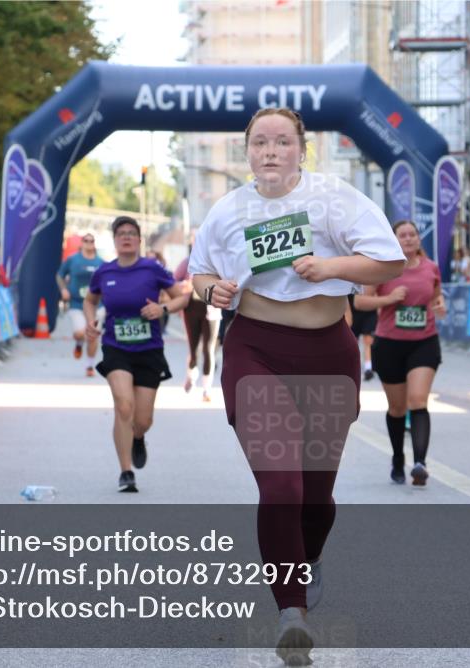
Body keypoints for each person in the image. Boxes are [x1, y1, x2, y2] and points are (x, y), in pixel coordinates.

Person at [188, 107, 404, 666]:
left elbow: (387, 262)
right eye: (260, 142)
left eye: (282, 141)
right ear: (247, 152)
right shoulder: (229, 209)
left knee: (316, 498)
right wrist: (213, 291)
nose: (270, 151)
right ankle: (292, 612)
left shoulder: (335, 198)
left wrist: (331, 268)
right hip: (255, 349)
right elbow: (200, 274)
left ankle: (301, 565)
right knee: (280, 486)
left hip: (327, 353)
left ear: (301, 150)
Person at [82, 216, 186, 493]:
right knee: (123, 405)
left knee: (142, 420)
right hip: (116, 347)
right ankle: (126, 471)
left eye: (131, 233)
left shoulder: (152, 268)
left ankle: (138, 437)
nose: (126, 237)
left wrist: (162, 309)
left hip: (149, 350)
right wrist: (91, 321)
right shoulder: (104, 272)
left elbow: (181, 297)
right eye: (121, 234)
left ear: (139, 240)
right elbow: (90, 300)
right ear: (115, 241)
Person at [354, 220, 445, 486]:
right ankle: (397, 458)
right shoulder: (384, 268)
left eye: (412, 234)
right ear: (394, 239)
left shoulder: (431, 268)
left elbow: (437, 297)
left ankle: (419, 463)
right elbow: (360, 301)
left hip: (424, 342)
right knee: (397, 408)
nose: (408, 239)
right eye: (402, 235)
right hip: (390, 344)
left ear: (418, 239)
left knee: (418, 401)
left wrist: (440, 306)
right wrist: (388, 299)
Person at [173, 249, 221, 402]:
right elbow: (172, 281)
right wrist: (184, 285)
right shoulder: (188, 261)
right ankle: (191, 376)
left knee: (208, 349)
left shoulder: (219, 262)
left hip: (211, 309)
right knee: (193, 350)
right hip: (191, 308)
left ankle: (206, 390)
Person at [57, 233, 103, 375]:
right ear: (81, 243)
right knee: (79, 333)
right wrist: (64, 289)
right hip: (77, 303)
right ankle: (78, 343)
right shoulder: (73, 260)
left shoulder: (101, 262)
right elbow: (59, 275)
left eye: (91, 241)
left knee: (93, 334)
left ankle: (90, 366)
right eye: (86, 240)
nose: (89, 243)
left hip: (97, 305)